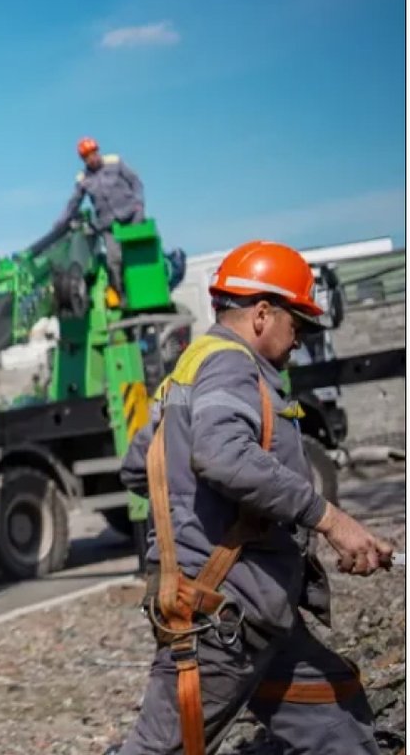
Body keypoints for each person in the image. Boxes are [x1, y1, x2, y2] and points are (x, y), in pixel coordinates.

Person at [113, 240, 394, 754]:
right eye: (298, 325)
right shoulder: (231, 366)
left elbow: (139, 467)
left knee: (338, 719)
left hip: (256, 616)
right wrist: (330, 519)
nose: (299, 341)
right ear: (263, 314)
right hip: (220, 621)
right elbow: (222, 457)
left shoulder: (190, 367)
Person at [39, 137, 145, 302]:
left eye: (93, 154)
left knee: (138, 255)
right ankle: (123, 297)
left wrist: (139, 204)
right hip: (109, 225)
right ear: (83, 159)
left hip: (131, 216)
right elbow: (73, 203)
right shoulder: (83, 179)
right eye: (87, 157)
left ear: (98, 151)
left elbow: (135, 182)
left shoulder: (115, 162)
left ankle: (144, 291)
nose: (92, 158)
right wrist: (60, 224)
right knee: (114, 261)